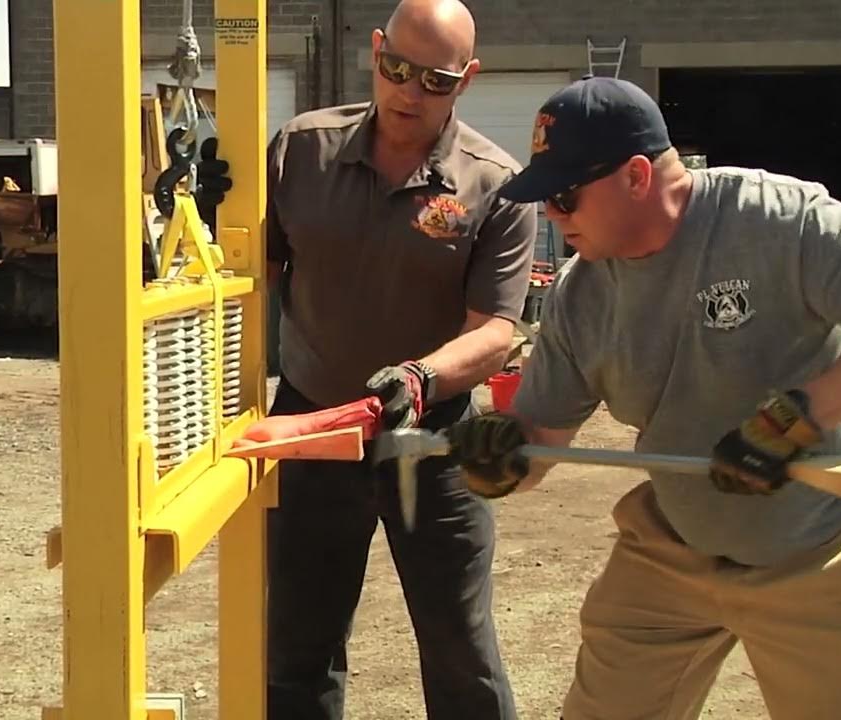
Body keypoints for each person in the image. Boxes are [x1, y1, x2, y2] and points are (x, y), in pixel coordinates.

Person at [443, 76, 841, 720]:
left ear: (637, 176)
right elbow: (540, 443)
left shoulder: (775, 220)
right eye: (544, 199)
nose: (552, 215)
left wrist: (796, 420)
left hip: (819, 546)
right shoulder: (582, 294)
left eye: (566, 196)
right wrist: (501, 457)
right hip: (676, 544)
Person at [200, 0, 537, 717]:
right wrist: (207, 217)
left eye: (436, 80)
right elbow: (241, 275)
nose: (409, 92)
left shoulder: (496, 184)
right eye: (397, 68)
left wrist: (421, 377)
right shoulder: (300, 151)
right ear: (376, 52)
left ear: (467, 79)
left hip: (433, 439)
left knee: (461, 650)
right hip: (312, 429)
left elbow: (496, 332)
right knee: (298, 648)